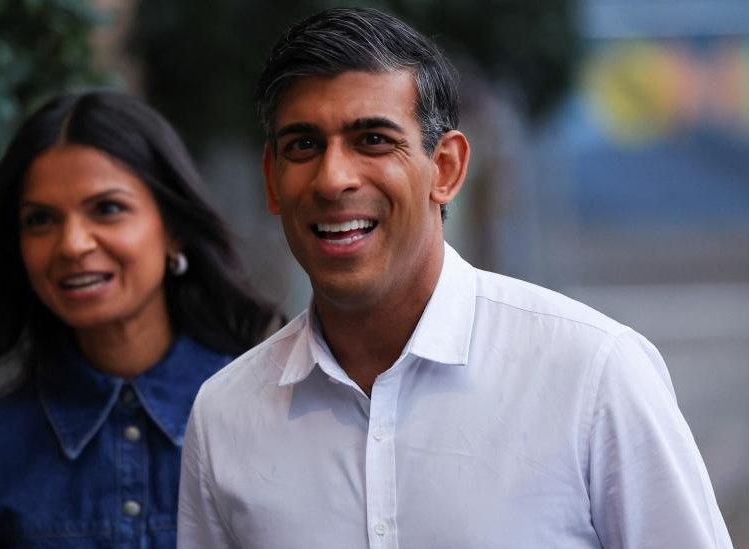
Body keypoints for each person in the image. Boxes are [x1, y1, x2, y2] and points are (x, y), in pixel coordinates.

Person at [178, 7, 733, 548]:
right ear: (273, 182)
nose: (333, 178)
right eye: (304, 146)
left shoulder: (593, 375)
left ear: (445, 168)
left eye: (373, 140)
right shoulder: (226, 417)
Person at [0, 89, 279, 548]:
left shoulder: (268, 417)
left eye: (107, 209)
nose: (72, 244)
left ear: (172, 231)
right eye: (40, 220)